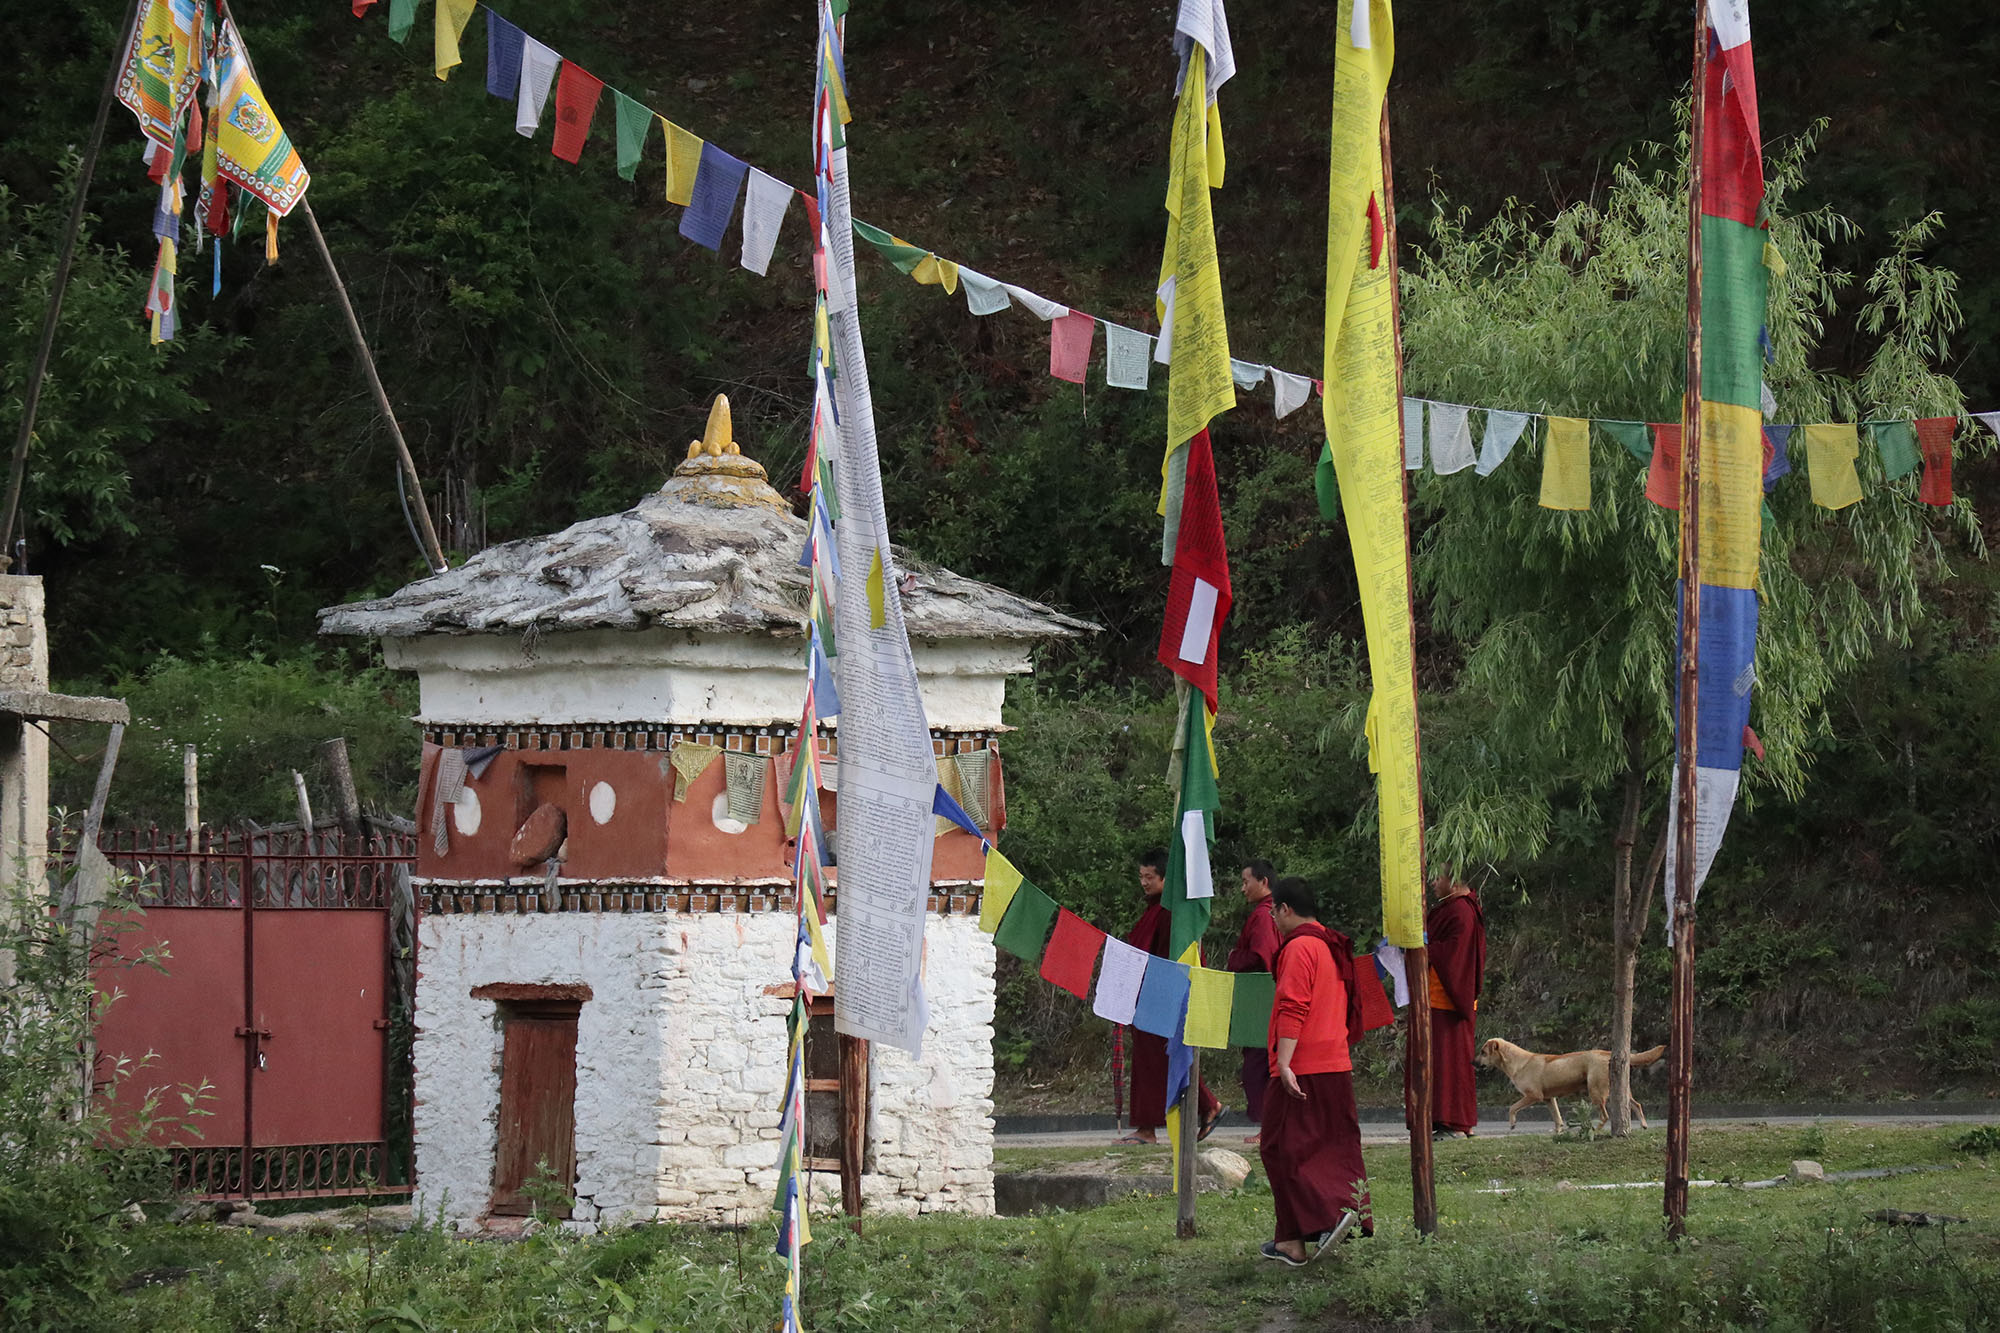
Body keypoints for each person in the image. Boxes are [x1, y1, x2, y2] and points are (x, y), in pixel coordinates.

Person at [1257, 876, 1369, 1265]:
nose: (1272, 918)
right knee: (1331, 1145)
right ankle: (1334, 1217)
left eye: (1274, 910)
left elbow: (1293, 1005)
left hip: (1302, 1066)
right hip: (1336, 1062)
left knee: (1278, 1148)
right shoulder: (1331, 944)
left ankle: (1307, 1231)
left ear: (1285, 909)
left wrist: (1284, 1063)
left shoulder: (1300, 947)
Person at [1115, 849, 1222, 1145]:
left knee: (1166, 1057)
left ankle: (1202, 1107)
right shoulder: (1153, 911)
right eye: (1142, 877)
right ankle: (1192, 1110)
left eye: (1150, 877)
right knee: (1155, 1060)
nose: (1144, 883)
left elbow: (1169, 956)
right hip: (1149, 997)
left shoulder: (1169, 913)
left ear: (1165, 878)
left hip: (1164, 996)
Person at [1406, 871, 1488, 1140]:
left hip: (1449, 999)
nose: (1432, 882)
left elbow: (1455, 955)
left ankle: (1454, 1122)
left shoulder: (1461, 911)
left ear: (1454, 879)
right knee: (1439, 1060)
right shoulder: (1449, 909)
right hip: (1437, 998)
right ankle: (1448, 1120)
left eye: (1437, 877)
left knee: (1448, 1062)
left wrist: (1423, 946)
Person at [1227, 859, 1281, 1146]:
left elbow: (1262, 957)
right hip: (1268, 997)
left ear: (1264, 883)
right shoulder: (1274, 913)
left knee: (1257, 1066)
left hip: (1261, 999)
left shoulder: (1263, 915)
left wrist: (1234, 958)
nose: (1243, 888)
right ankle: (1271, 1127)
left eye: (1246, 881)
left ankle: (1267, 1128)